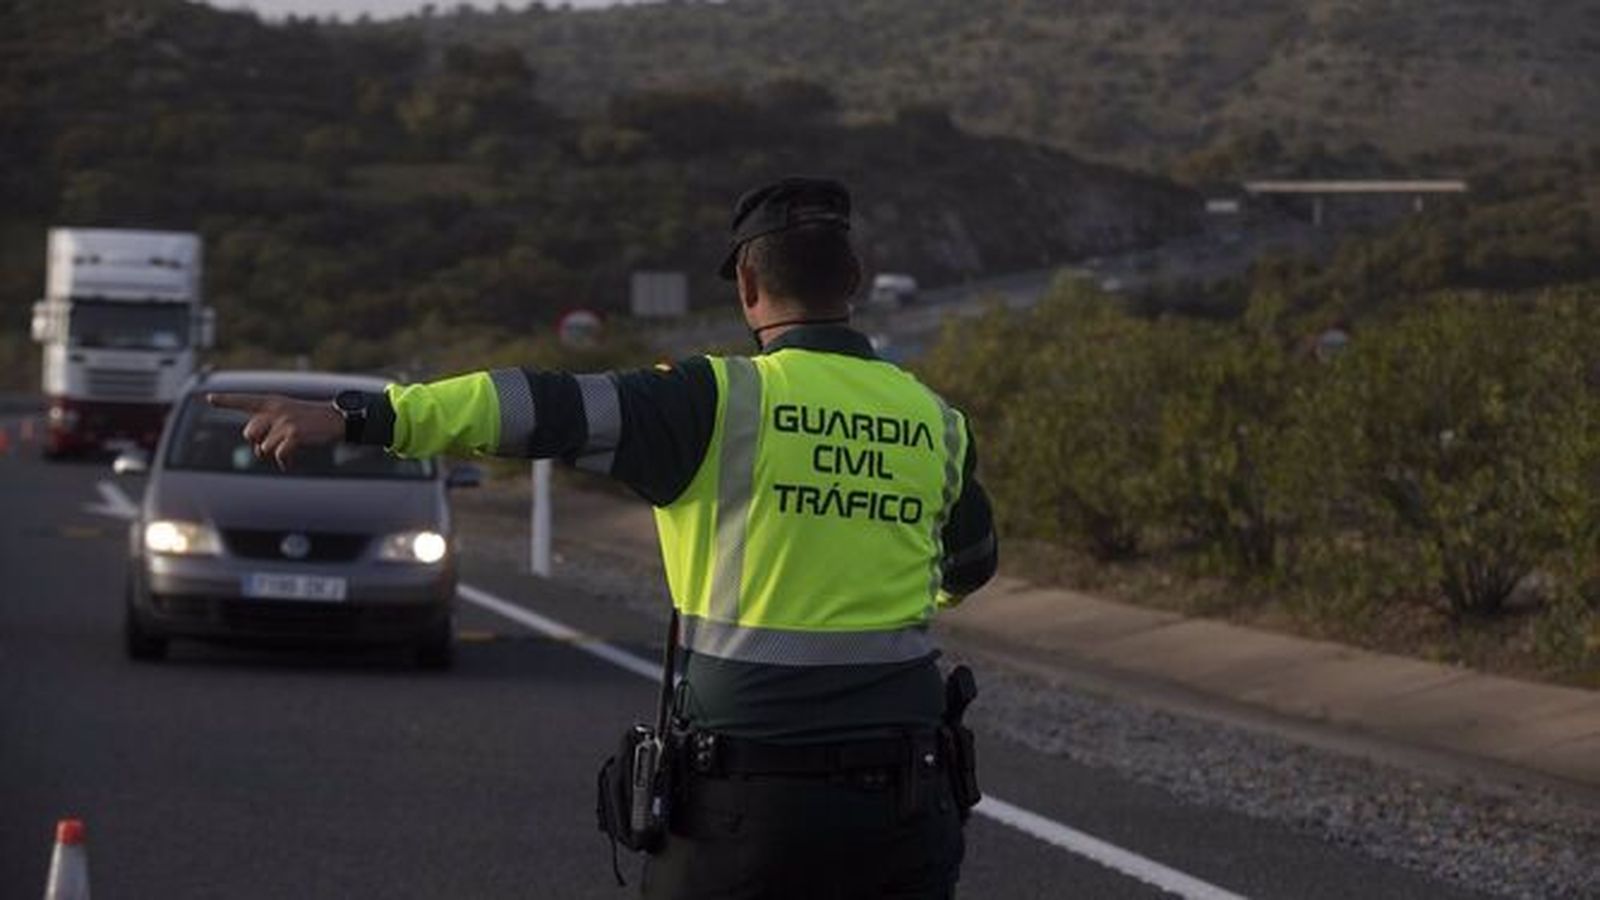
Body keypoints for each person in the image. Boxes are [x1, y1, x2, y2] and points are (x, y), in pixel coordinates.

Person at [209, 176, 998, 899]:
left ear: (749, 287)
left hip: (751, 814)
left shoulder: (713, 401)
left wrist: (357, 416)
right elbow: (969, 565)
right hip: (906, 802)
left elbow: (530, 406)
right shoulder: (935, 419)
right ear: (854, 282)